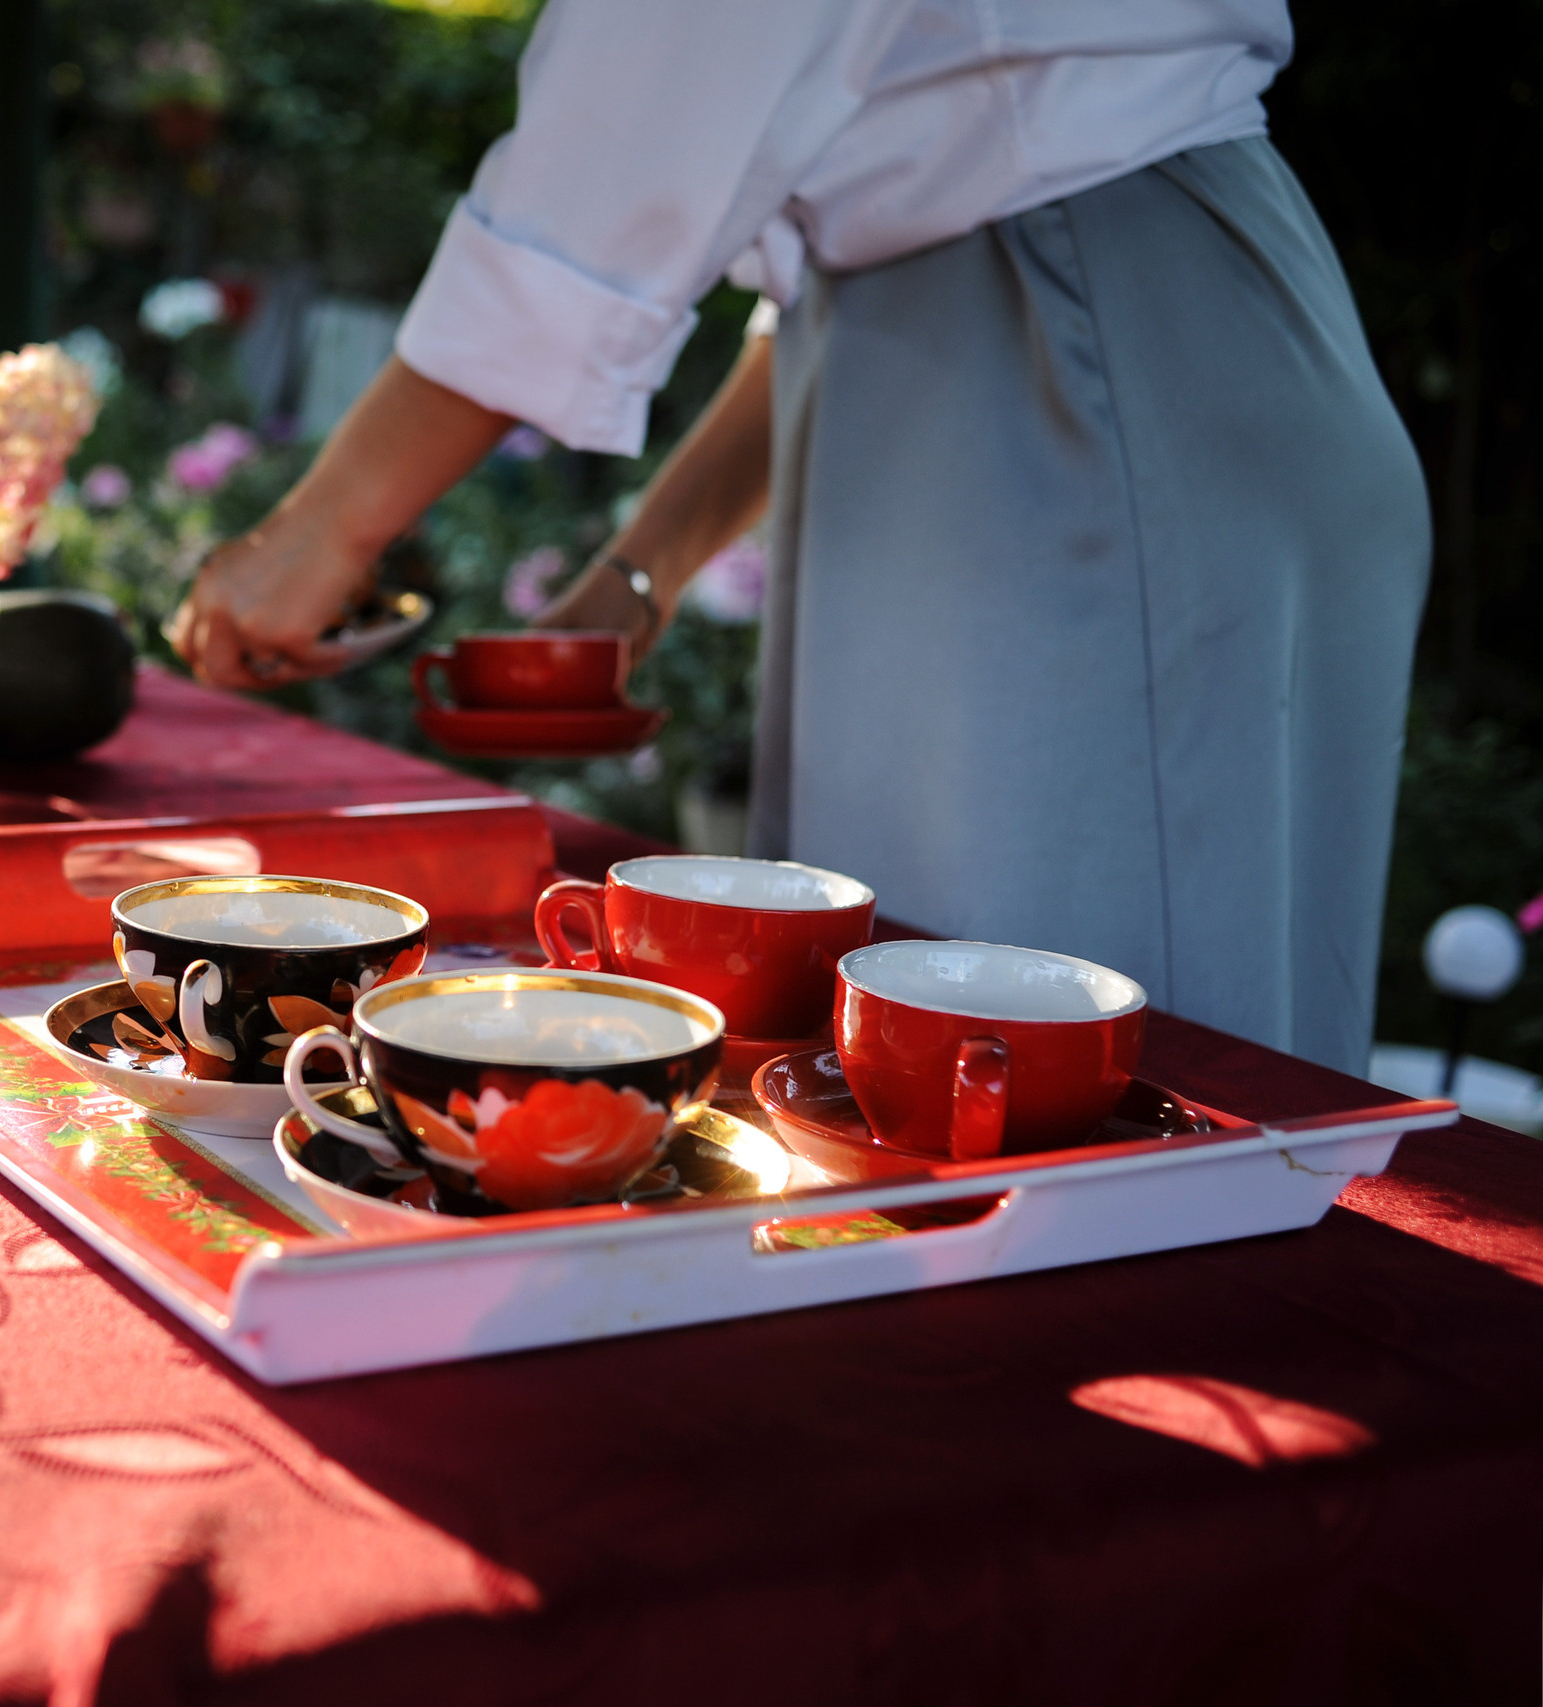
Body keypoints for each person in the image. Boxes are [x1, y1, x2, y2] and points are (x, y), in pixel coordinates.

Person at [166, 0, 1429, 1074]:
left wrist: (316, 530)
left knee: (1063, 1063)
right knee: (928, 1037)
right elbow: (838, 271)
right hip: (1044, 339)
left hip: (1097, 361)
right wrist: (635, 577)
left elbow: (598, 177)